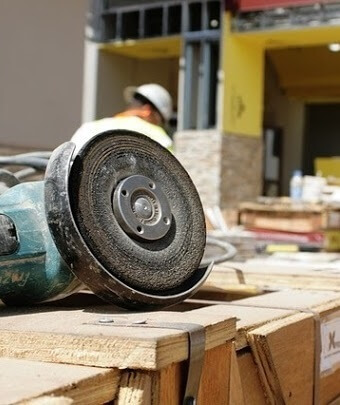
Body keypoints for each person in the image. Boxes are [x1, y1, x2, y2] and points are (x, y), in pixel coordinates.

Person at [71, 83, 173, 152]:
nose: (158, 125)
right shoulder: (158, 136)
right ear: (147, 111)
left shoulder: (89, 127)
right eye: (160, 121)